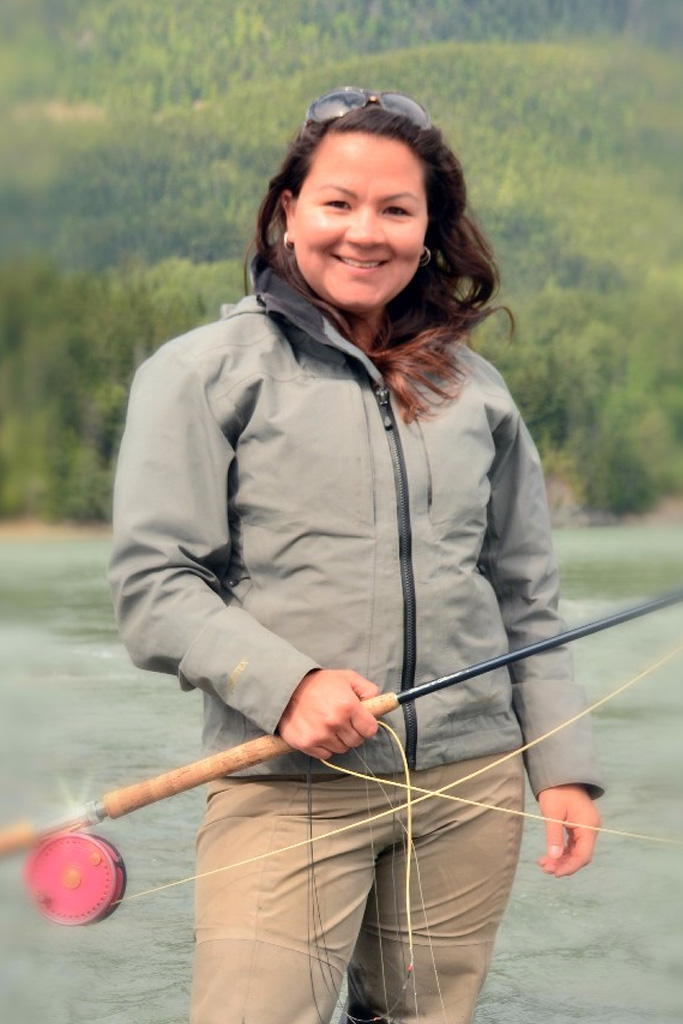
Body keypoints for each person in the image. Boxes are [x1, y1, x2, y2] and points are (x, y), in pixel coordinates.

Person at [108, 87, 603, 1024]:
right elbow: (154, 587)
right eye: (337, 202)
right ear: (289, 212)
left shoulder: (477, 391)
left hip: (470, 786)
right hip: (282, 784)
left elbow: (525, 596)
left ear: (429, 231)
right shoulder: (200, 372)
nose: (364, 232)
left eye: (395, 209)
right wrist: (288, 685)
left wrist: (562, 765)